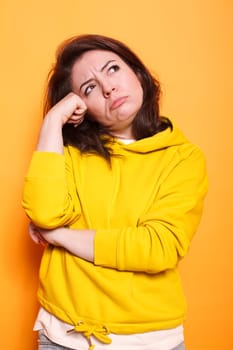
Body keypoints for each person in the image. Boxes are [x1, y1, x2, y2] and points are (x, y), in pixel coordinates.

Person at [22, 34, 208, 350]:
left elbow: (157, 247)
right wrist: (52, 122)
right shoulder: (69, 152)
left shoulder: (183, 158)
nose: (108, 87)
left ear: (138, 73)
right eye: (89, 88)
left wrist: (59, 236)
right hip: (62, 334)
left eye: (112, 69)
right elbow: (43, 212)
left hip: (148, 341)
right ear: (83, 107)